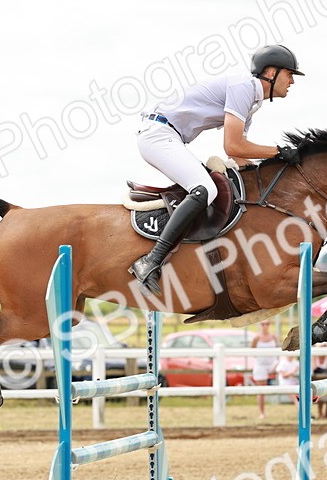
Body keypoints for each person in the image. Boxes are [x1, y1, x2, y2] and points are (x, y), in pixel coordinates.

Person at [129, 45, 305, 294]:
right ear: (272, 72)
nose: (292, 82)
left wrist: (278, 168)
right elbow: (233, 144)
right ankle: (150, 261)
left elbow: (237, 155)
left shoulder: (251, 101)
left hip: (169, 136)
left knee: (213, 186)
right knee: (204, 190)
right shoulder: (243, 87)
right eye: (290, 75)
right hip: (158, 135)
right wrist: (278, 151)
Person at [250, 319, 279, 419]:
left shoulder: (274, 337)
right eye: (263, 324)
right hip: (261, 365)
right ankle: (262, 413)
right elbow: (252, 351)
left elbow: (278, 350)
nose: (265, 326)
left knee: (287, 380)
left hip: (273, 364)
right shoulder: (256, 338)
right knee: (261, 390)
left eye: (267, 324)